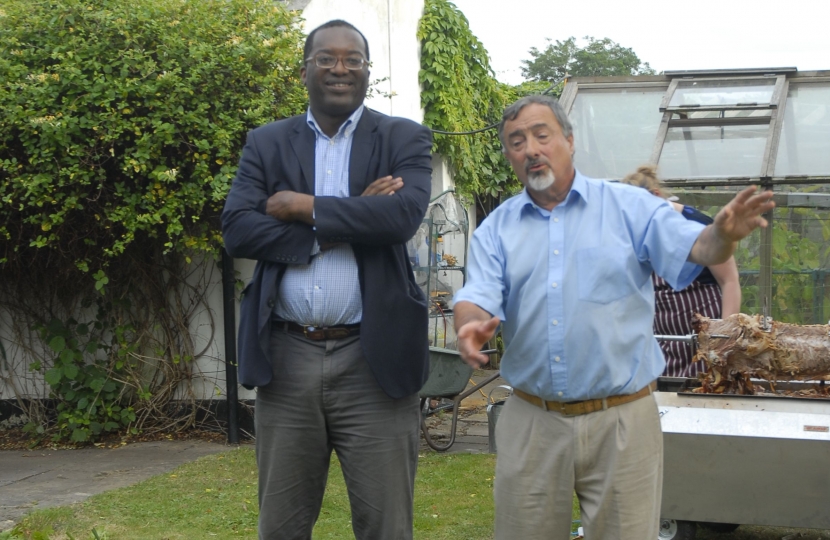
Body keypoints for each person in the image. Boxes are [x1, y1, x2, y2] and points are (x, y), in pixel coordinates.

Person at [452, 94, 774, 540]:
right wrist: (469, 323)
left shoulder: (630, 207)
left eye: (541, 135)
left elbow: (697, 249)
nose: (531, 149)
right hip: (533, 419)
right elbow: (476, 295)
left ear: (568, 139)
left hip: (623, 419)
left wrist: (721, 234)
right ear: (509, 155)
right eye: (516, 141)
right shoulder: (496, 230)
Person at [221, 20, 432, 540]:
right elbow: (238, 229)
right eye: (327, 58)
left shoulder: (403, 136)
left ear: (366, 70)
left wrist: (299, 207)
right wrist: (343, 223)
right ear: (306, 69)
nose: (341, 68)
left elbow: (401, 218)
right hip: (287, 359)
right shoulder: (267, 143)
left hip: (373, 359)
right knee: (282, 527)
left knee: (387, 526)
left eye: (353, 59)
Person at [621, 164, 742, 377]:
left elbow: (730, 281)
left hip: (703, 343)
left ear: (656, 196)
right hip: (660, 345)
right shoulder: (636, 230)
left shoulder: (698, 224)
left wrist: (723, 340)